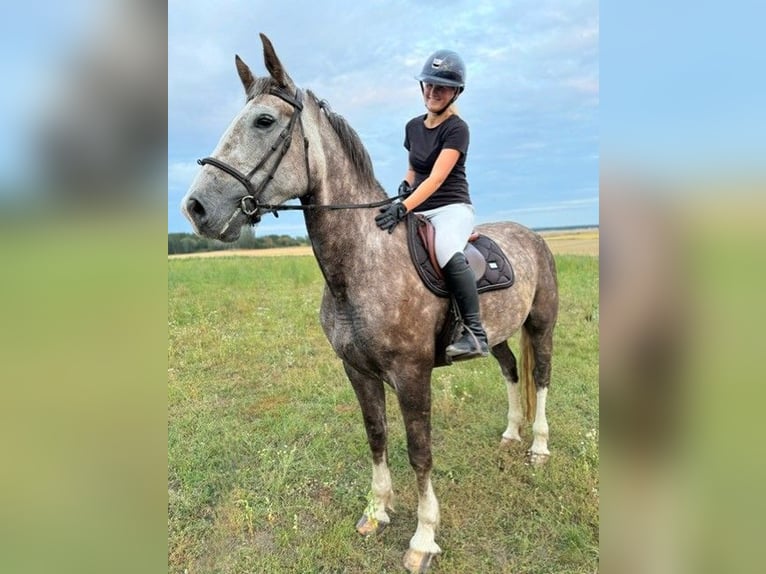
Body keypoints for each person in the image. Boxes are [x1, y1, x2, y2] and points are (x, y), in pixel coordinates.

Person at [375, 49, 488, 360]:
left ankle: (475, 334)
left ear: (455, 92)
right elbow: (414, 169)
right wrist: (403, 188)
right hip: (418, 203)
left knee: (446, 252)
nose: (434, 93)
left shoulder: (457, 129)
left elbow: (437, 179)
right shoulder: (412, 127)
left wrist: (405, 206)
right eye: (429, 85)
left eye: (442, 88)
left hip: (451, 207)